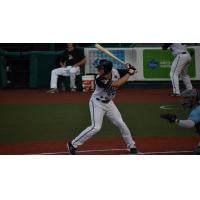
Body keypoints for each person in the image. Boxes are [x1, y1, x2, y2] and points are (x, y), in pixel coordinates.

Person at [67, 59, 138, 155]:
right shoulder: (99, 79)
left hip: (109, 103)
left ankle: (131, 145)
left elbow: (130, 71)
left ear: (107, 69)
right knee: (96, 127)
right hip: (97, 103)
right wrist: (129, 73)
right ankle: (73, 144)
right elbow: (117, 84)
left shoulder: (116, 72)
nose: (98, 70)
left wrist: (131, 69)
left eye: (100, 68)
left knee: (121, 124)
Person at [160, 89, 200, 154]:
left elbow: (189, 124)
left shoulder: (196, 110)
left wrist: (175, 120)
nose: (183, 101)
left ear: (193, 99)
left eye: (185, 98)